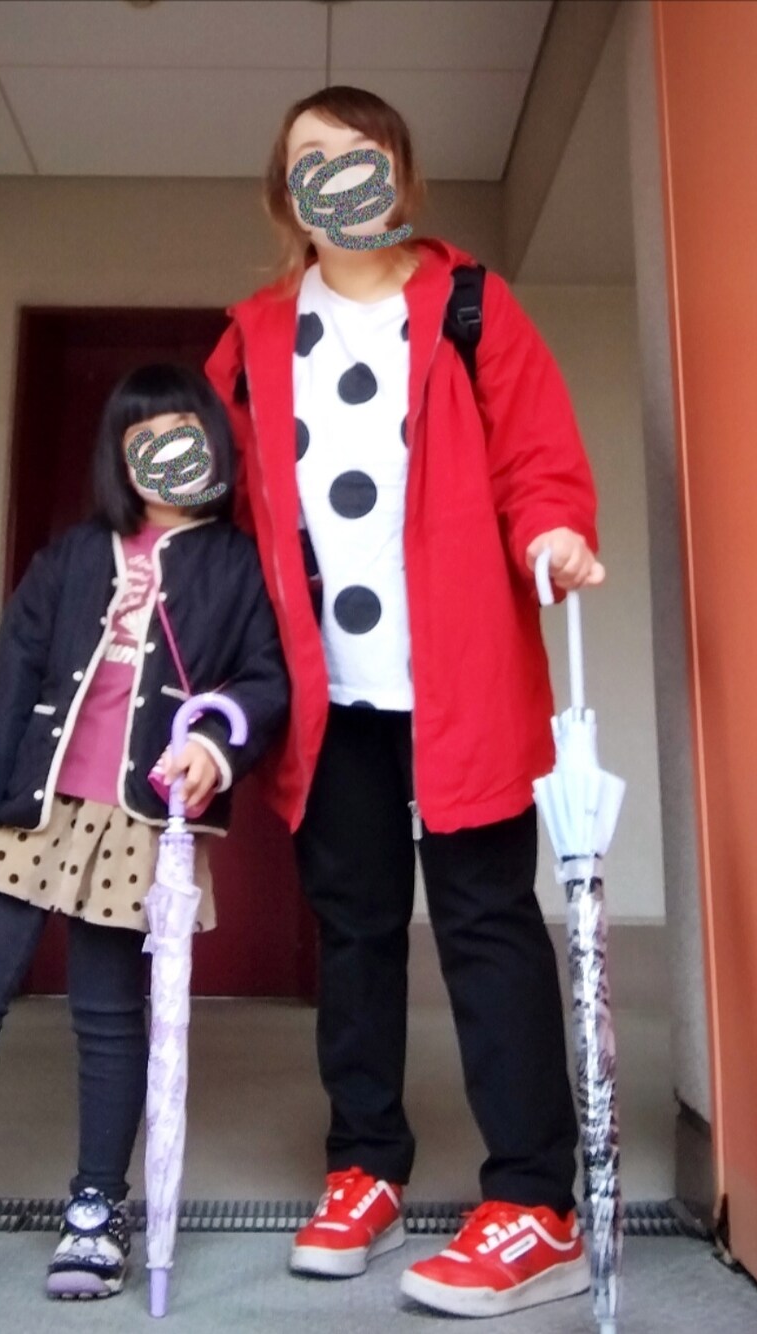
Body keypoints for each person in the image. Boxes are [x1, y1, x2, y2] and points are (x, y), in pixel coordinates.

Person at [205, 86, 604, 1320]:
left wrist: (553, 528)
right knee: (355, 926)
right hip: (327, 696)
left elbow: (536, 455)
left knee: (487, 920)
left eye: (359, 153)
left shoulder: (470, 304)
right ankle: (365, 1163)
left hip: (461, 681)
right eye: (309, 158)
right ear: (285, 196)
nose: (335, 174)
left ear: (399, 176)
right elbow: (216, 503)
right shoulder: (253, 338)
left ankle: (535, 1202)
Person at [0, 364, 289, 1321]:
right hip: (35, 809)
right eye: (146, 442)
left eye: (185, 437)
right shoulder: (72, 557)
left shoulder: (237, 566)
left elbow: (266, 679)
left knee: (108, 1010)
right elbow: (11, 678)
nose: (168, 456)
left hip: (142, 817)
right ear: (119, 460)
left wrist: (218, 746)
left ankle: (98, 1205)